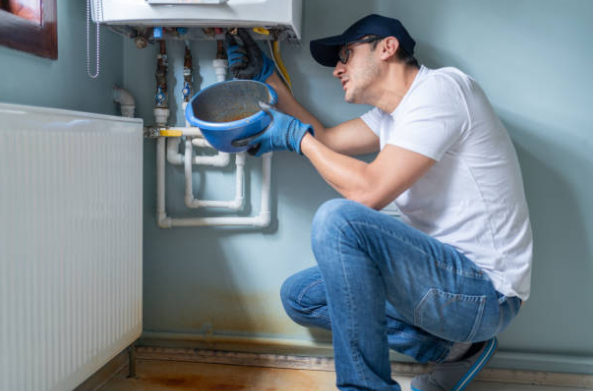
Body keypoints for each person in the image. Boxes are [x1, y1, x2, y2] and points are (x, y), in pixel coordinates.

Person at [225, 13, 533, 391]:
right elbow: (325, 138)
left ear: (387, 47)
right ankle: (454, 352)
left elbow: (368, 191)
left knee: (340, 219)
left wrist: (297, 139)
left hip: (483, 293)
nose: (338, 69)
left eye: (346, 54)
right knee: (301, 297)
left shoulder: (442, 90)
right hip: (439, 283)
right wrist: (267, 79)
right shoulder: (390, 117)